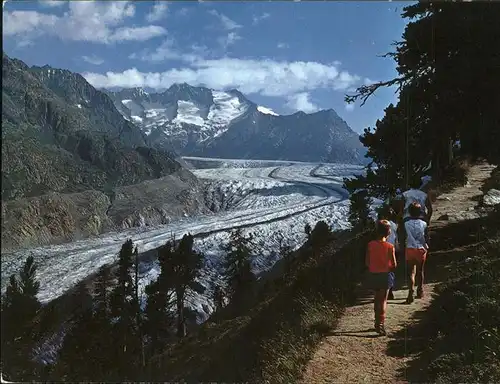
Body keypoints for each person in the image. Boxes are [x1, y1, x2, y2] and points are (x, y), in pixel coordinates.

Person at [365, 220, 397, 335]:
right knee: (383, 300)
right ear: (388, 232)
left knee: (376, 299)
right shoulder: (390, 246)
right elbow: (394, 264)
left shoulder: (370, 245)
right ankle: (381, 324)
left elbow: (367, 262)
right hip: (385, 275)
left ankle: (376, 322)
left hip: (373, 275)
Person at [404, 202, 429, 304]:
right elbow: (426, 236)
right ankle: (420, 290)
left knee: (411, 272)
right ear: (420, 212)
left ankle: (410, 292)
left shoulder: (405, 223)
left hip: (410, 248)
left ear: (409, 212)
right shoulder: (424, 224)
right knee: (420, 271)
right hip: (421, 249)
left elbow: (403, 236)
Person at [377, 207, 399, 300]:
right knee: (390, 270)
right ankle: (390, 290)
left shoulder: (379, 224)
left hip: (381, 248)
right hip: (391, 247)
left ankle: (381, 289)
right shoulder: (394, 225)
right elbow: (395, 237)